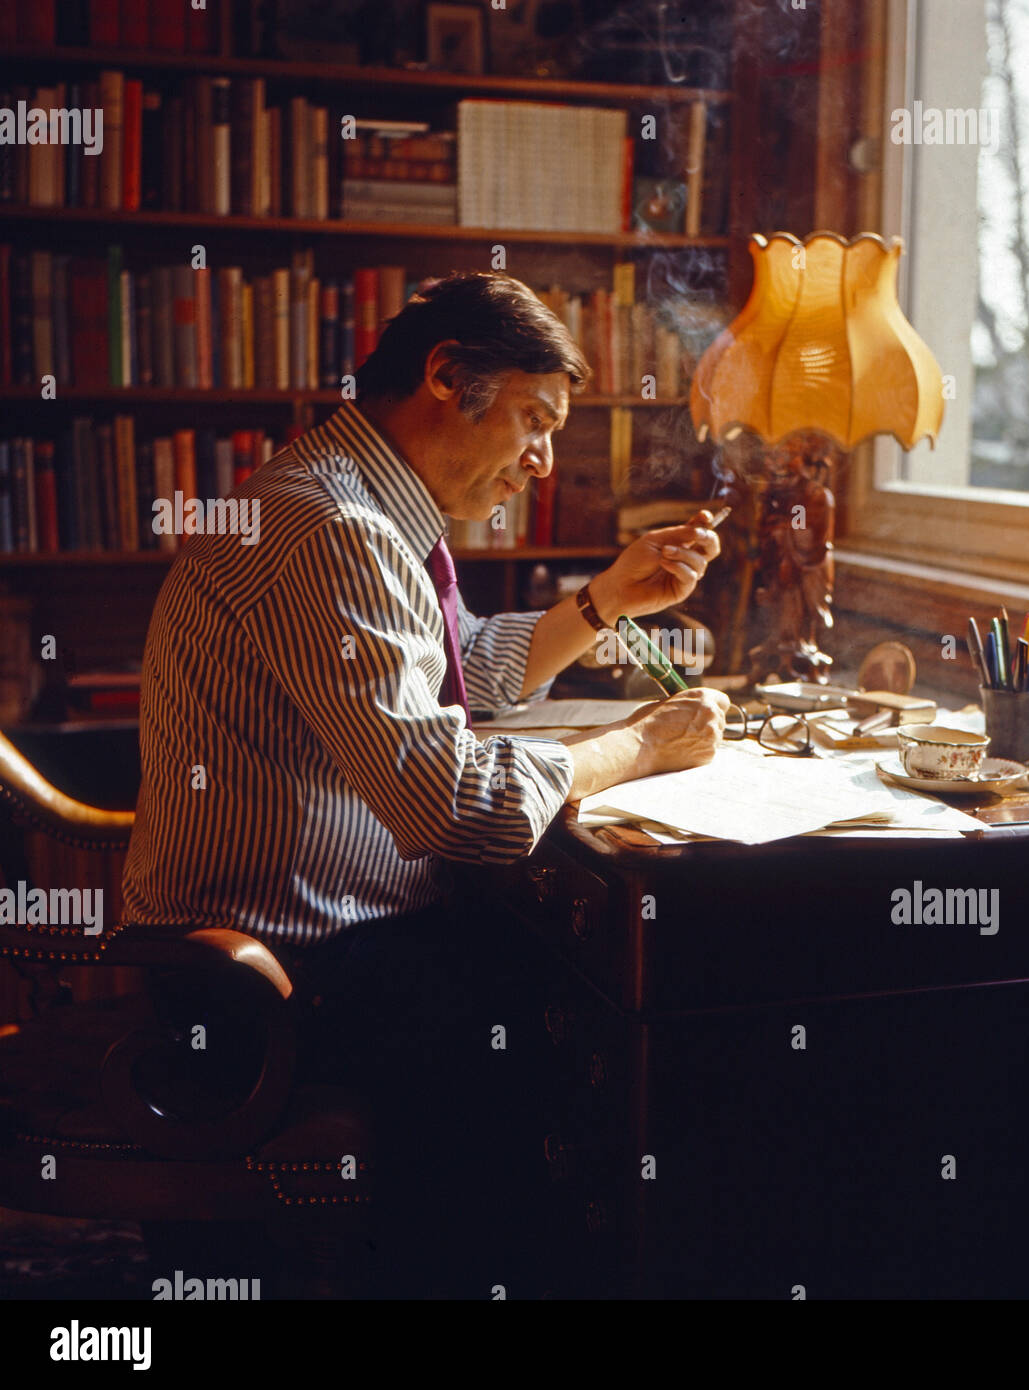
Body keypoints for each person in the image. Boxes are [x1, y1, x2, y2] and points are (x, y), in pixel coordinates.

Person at [120, 270, 729, 1294]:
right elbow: (452, 804)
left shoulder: (344, 496)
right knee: (562, 1017)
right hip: (253, 984)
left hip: (302, 941)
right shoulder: (332, 527)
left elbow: (453, 676)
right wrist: (641, 745)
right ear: (447, 375)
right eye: (534, 421)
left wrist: (605, 600)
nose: (540, 463)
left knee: (559, 983)